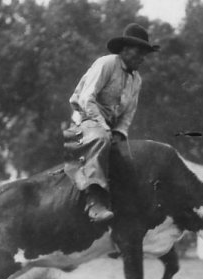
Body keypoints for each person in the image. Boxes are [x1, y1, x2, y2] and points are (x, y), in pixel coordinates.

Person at [63, 23, 159, 223]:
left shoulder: (137, 80)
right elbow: (86, 99)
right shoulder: (106, 64)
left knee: (132, 156)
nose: (142, 58)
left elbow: (128, 114)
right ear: (125, 49)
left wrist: (119, 132)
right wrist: (105, 129)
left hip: (109, 128)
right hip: (86, 121)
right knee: (100, 139)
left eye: (144, 54)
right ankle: (94, 201)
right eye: (139, 52)